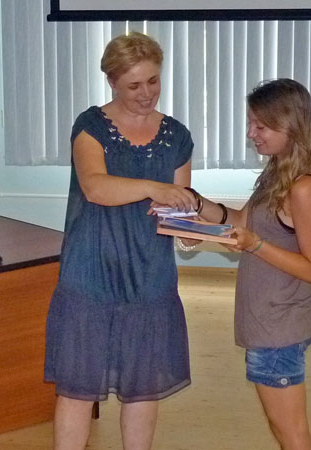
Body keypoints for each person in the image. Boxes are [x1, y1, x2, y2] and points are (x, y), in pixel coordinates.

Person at [44, 32, 197, 450]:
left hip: (150, 275)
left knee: (143, 388)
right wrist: (153, 187)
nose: (146, 93)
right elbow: (96, 187)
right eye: (134, 85)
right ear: (112, 82)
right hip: (90, 273)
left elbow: (177, 206)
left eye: (153, 81)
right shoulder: (91, 127)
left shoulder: (177, 136)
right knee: (78, 388)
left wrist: (191, 230)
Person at [186, 79, 311, 449]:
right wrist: (195, 207)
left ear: (290, 127)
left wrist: (256, 245)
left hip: (279, 327)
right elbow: (241, 222)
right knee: (285, 431)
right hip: (267, 323)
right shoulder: (277, 172)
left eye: (261, 126)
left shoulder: (304, 187)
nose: (251, 134)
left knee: (292, 434)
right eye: (251, 123)